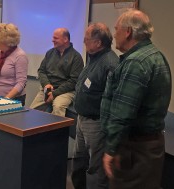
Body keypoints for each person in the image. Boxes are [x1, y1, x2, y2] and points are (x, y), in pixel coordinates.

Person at [101, 9, 172, 189]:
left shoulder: (135, 63)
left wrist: (111, 148)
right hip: (149, 148)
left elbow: (123, 112)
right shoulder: (156, 56)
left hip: (134, 151)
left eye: (116, 29)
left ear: (128, 32)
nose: (114, 34)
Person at [71, 23, 119, 189]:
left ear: (98, 43)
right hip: (82, 119)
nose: (83, 41)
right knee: (78, 161)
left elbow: (111, 100)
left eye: (87, 38)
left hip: (96, 123)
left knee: (96, 167)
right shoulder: (93, 59)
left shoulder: (110, 63)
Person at [30, 28, 84, 116]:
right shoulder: (50, 53)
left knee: (58, 107)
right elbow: (41, 71)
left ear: (65, 39)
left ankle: (56, 130)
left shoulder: (76, 57)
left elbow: (74, 81)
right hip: (48, 89)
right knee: (32, 110)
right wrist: (46, 84)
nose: (52, 40)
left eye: (56, 38)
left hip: (66, 91)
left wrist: (55, 93)